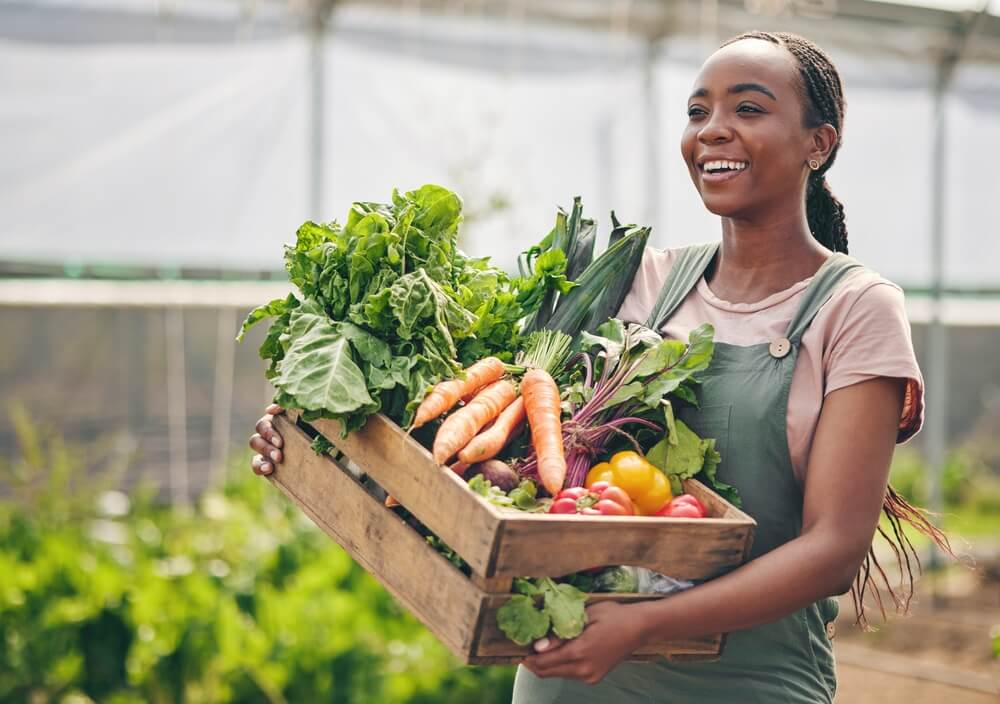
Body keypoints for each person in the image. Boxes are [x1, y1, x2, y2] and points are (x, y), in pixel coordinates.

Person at [249, 31, 951, 703]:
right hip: (570, 675)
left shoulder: (855, 309)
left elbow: (834, 548)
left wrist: (644, 624)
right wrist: (327, 443)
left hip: (750, 684)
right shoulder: (642, 280)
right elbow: (502, 446)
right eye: (697, 111)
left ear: (818, 144)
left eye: (747, 108)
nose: (711, 129)